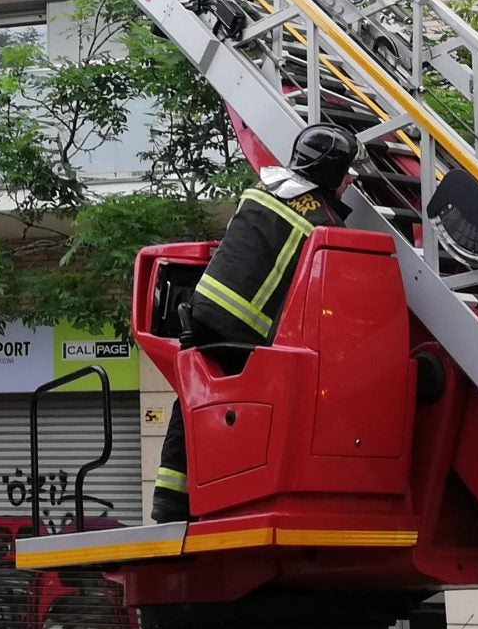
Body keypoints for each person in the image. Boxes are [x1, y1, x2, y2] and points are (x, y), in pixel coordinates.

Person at [152, 124, 356, 523]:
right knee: (270, 412)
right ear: (333, 173)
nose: (350, 182)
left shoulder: (262, 190)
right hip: (245, 328)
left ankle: (171, 503)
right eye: (347, 174)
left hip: (201, 314)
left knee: (193, 401)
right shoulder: (325, 222)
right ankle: (232, 500)